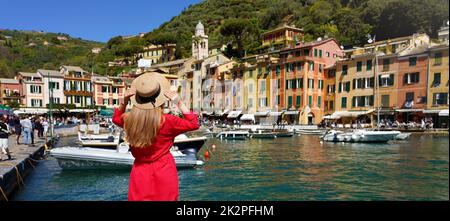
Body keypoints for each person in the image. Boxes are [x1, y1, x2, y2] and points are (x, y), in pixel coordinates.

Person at [112, 72, 199, 201]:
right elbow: (194, 123)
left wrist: (124, 102)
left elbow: (116, 118)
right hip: (164, 170)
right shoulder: (168, 121)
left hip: (140, 172)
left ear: (137, 98)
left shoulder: (129, 120)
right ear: (160, 98)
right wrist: (179, 102)